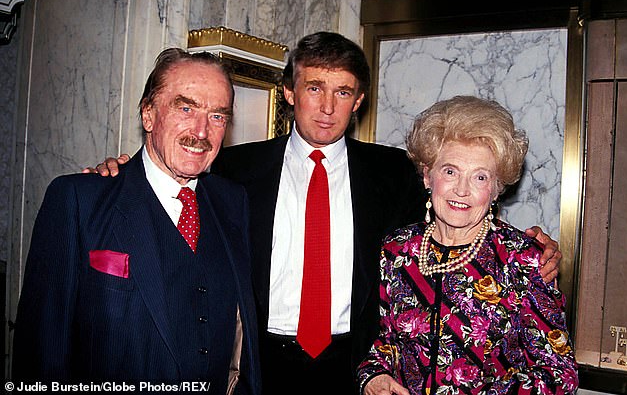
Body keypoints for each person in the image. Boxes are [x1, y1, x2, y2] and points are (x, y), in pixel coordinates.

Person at [89, 32, 562, 394]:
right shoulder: (233, 167)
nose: (326, 106)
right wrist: (119, 168)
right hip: (259, 362)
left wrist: (535, 248)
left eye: (343, 92)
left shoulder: (395, 171)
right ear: (290, 91)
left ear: (358, 102)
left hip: (353, 366)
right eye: (314, 87)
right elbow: (170, 175)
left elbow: (459, 215)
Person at [12, 48, 261, 395]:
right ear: (148, 115)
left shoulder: (233, 202)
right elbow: (40, 351)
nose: (201, 131)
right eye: (186, 108)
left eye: (218, 116)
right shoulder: (79, 200)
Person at [357, 96, 578, 395]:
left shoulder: (522, 259)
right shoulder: (398, 250)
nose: (462, 190)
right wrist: (373, 376)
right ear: (427, 176)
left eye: (480, 177)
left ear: (497, 189)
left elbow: (560, 376)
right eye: (450, 171)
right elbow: (382, 341)